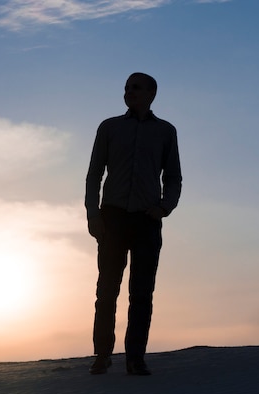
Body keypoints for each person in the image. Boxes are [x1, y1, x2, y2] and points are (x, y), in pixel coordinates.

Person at [85, 72, 182, 375]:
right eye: (126, 88)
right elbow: (94, 174)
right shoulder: (110, 127)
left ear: (152, 93)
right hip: (112, 219)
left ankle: (135, 358)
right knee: (106, 291)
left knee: (141, 294)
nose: (129, 92)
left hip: (146, 221)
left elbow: (173, 176)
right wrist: (93, 215)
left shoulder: (165, 131)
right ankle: (102, 355)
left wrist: (164, 207)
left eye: (136, 88)